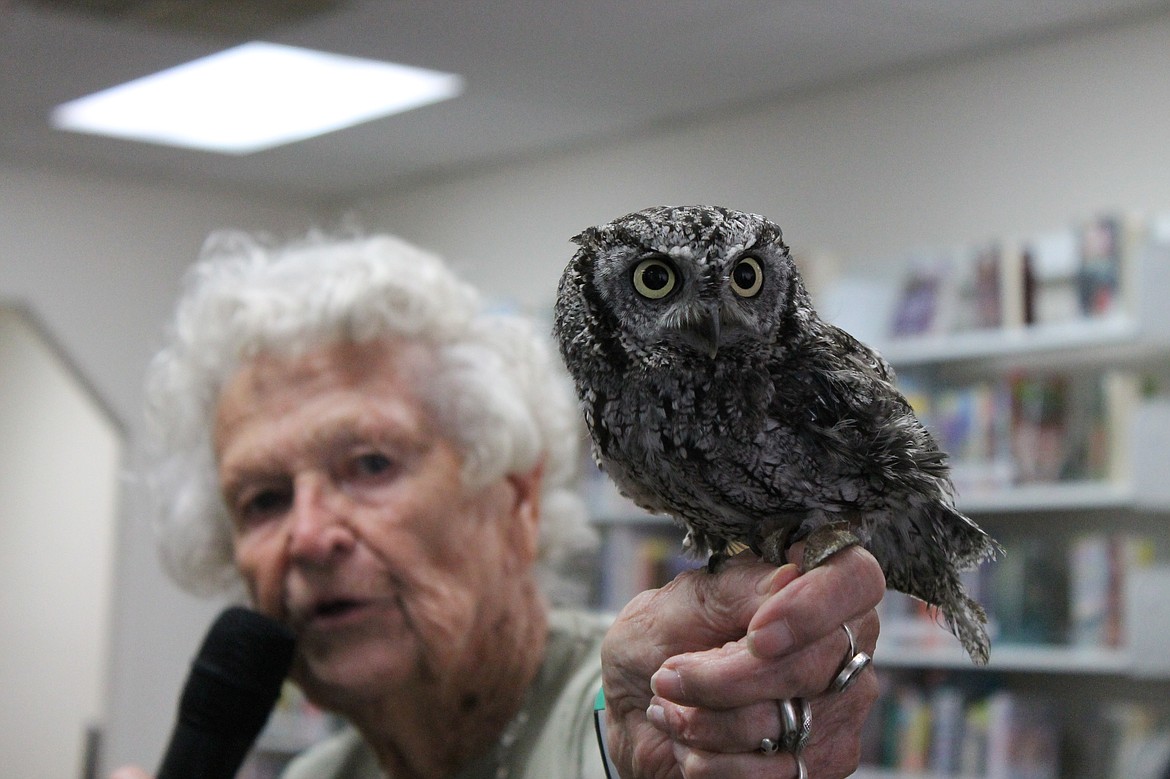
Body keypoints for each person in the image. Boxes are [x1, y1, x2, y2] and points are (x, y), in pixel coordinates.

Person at [112, 230, 884, 779]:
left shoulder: (620, 707)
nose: (308, 536)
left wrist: (672, 740)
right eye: (263, 499)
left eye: (371, 464)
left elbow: (626, 743)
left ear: (513, 496)